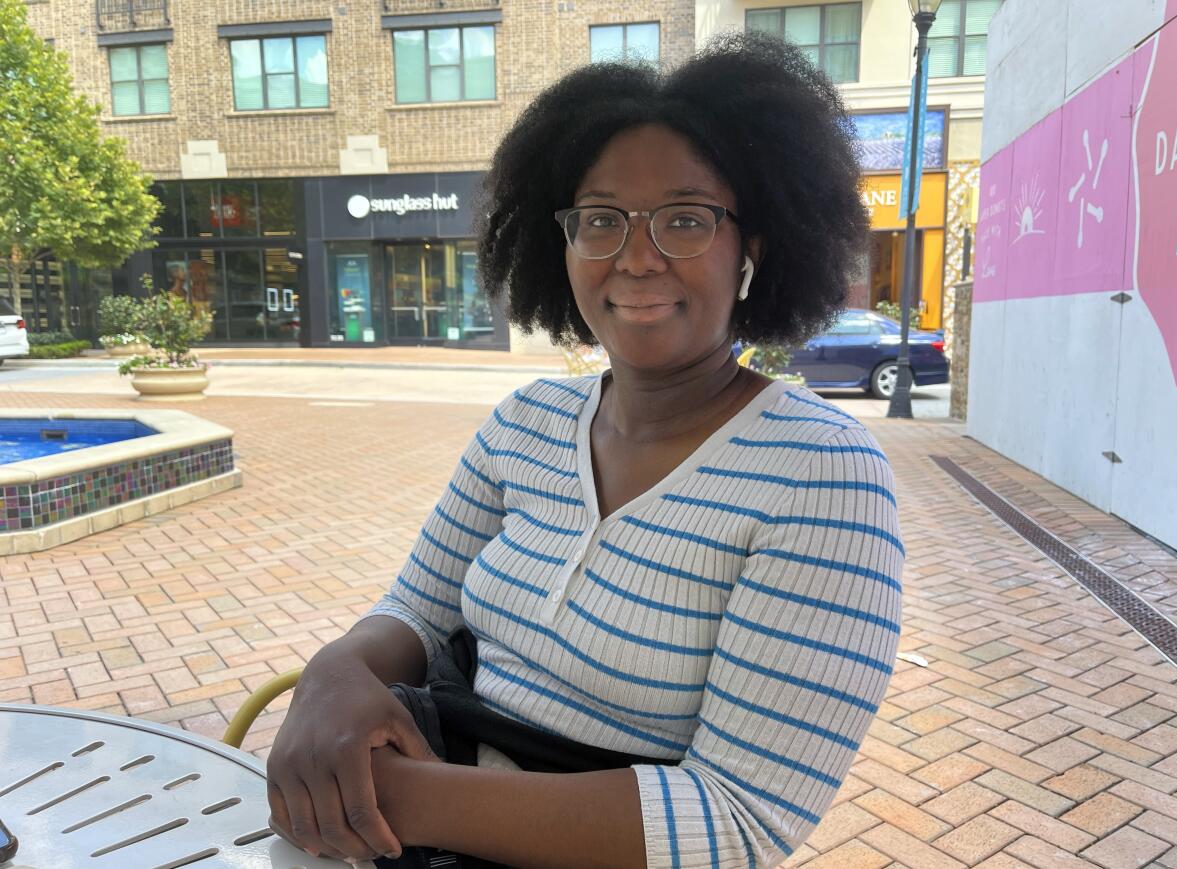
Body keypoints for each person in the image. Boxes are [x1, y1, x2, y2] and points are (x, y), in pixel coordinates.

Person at [267, 32, 902, 868]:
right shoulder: (525, 421)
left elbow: (741, 817)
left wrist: (392, 796)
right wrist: (335, 669)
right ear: (559, 243)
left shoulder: (824, 477)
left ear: (752, 248)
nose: (636, 258)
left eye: (685, 218)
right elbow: (418, 610)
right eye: (601, 219)